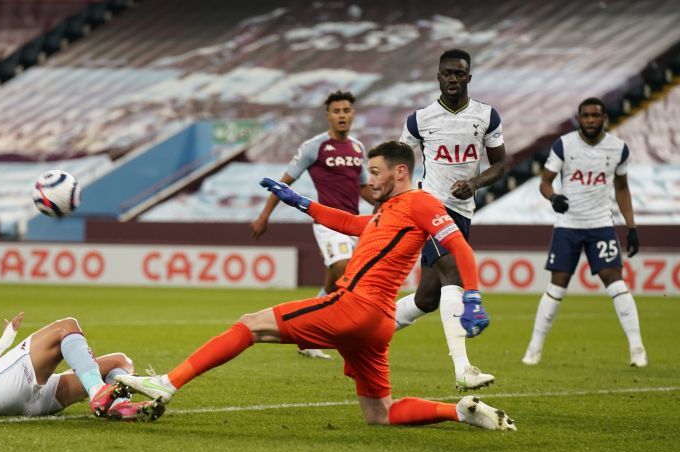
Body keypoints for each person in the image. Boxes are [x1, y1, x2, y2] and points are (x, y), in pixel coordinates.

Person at [118, 141, 516, 431]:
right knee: (379, 414)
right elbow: (348, 223)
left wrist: (473, 297)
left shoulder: (421, 202)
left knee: (250, 323)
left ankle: (164, 385)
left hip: (354, 306)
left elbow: (459, 246)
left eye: (375, 172)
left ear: (399, 172)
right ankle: (460, 412)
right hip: (376, 324)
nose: (369, 179)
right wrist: (299, 202)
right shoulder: (389, 212)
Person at [394, 48, 506, 391]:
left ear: (468, 77)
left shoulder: (487, 117)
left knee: (426, 299)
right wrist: (400, 196)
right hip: (428, 207)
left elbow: (500, 165)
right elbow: (400, 160)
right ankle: (463, 369)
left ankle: (359, 329)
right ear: (438, 77)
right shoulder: (420, 119)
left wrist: (473, 183)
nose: (453, 79)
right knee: (453, 276)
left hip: (462, 212)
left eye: (459, 73)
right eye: (447, 73)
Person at [522, 98, 647, 367]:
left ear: (604, 118)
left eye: (595, 115)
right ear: (579, 118)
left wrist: (632, 226)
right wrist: (553, 197)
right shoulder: (564, 145)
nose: (590, 120)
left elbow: (622, 188)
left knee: (615, 280)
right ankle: (534, 347)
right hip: (568, 225)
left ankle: (637, 348)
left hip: (601, 224)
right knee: (557, 285)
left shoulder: (618, 149)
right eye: (586, 116)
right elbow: (545, 180)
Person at [251, 90, 375, 360]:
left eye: (346, 111)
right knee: (344, 270)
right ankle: (343, 337)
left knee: (333, 284)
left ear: (353, 114)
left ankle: (306, 337)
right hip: (327, 222)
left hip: (353, 225)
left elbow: (364, 188)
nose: (342, 115)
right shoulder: (314, 146)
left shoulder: (357, 148)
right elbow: (285, 183)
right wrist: (264, 216)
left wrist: (386, 204)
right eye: (337, 111)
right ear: (328, 115)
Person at [0, 290, 164, 421]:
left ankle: (120, 407)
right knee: (66, 326)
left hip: (30, 399)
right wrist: (2, 345)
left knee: (120, 361)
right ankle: (98, 392)